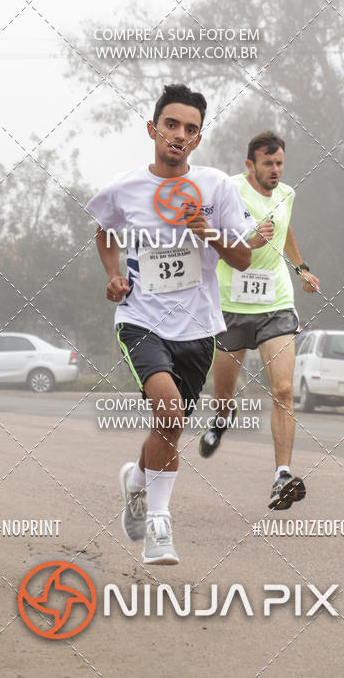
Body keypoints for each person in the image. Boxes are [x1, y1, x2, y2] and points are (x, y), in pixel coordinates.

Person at [86, 84, 252, 565]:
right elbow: (105, 233)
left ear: (198, 140)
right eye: (172, 125)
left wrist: (212, 233)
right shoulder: (125, 187)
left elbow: (242, 259)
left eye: (191, 129)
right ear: (153, 129)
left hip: (198, 327)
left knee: (169, 428)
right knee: (170, 412)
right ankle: (159, 528)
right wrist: (115, 275)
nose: (179, 135)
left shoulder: (215, 187)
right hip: (140, 320)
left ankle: (136, 482)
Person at [198, 130, 320, 511]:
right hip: (230, 305)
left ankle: (282, 475)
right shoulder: (227, 190)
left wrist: (301, 267)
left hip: (276, 303)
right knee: (223, 392)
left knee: (283, 390)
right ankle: (222, 417)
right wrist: (243, 243)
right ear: (248, 165)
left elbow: (284, 231)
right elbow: (203, 234)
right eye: (267, 163)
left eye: (279, 162)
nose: (275, 170)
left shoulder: (287, 194)